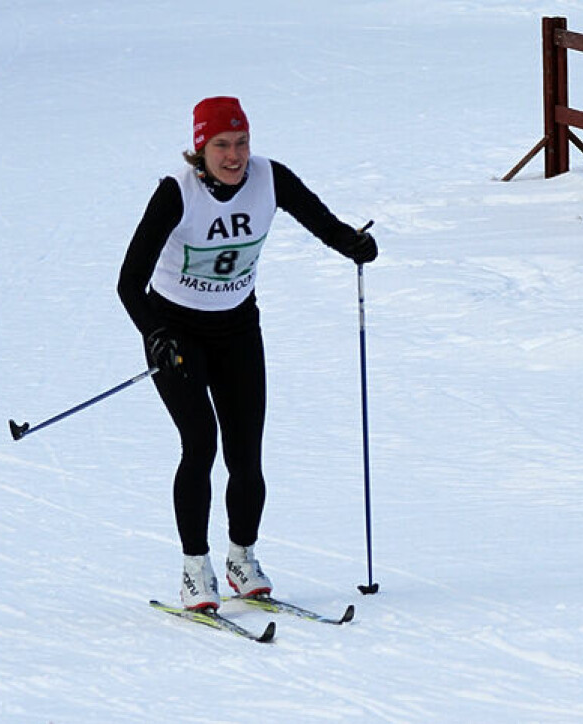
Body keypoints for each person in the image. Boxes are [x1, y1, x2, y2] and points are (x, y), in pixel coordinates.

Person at [117, 96, 377, 611]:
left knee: (246, 453)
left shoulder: (270, 179)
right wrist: (156, 334)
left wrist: (353, 244)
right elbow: (129, 283)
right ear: (200, 148)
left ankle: (242, 558)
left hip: (237, 328)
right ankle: (195, 569)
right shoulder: (176, 193)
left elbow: (323, 223)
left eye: (241, 143)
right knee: (200, 443)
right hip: (176, 333)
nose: (234, 156)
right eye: (221, 145)